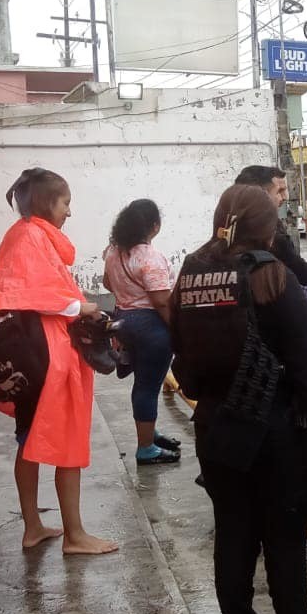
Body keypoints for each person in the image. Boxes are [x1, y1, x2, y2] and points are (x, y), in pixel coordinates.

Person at [170, 184, 307, 614]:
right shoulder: (273, 277)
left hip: (217, 431)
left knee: (234, 536)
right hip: (278, 434)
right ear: (267, 227)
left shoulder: (192, 274)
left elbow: (180, 354)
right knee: (284, 542)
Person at [0, 167, 118, 555]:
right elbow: (27, 292)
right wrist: (81, 306)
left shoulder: (24, 236)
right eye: (65, 202)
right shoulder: (31, 237)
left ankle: (33, 527)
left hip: (34, 356)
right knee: (64, 440)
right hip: (47, 359)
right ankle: (75, 535)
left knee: (28, 440)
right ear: (47, 202)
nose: (69, 211)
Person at [103, 199, 182, 465]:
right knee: (148, 386)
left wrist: (127, 295)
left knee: (144, 382)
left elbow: (106, 281)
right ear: (154, 227)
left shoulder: (113, 252)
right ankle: (146, 448)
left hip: (124, 320)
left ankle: (148, 432)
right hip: (151, 326)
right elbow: (161, 300)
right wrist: (179, 330)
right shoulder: (151, 257)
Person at [235, 165, 307, 286]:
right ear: (259, 195)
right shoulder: (271, 236)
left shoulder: (231, 227)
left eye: (285, 190)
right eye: (279, 191)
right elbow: (305, 275)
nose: (285, 197)